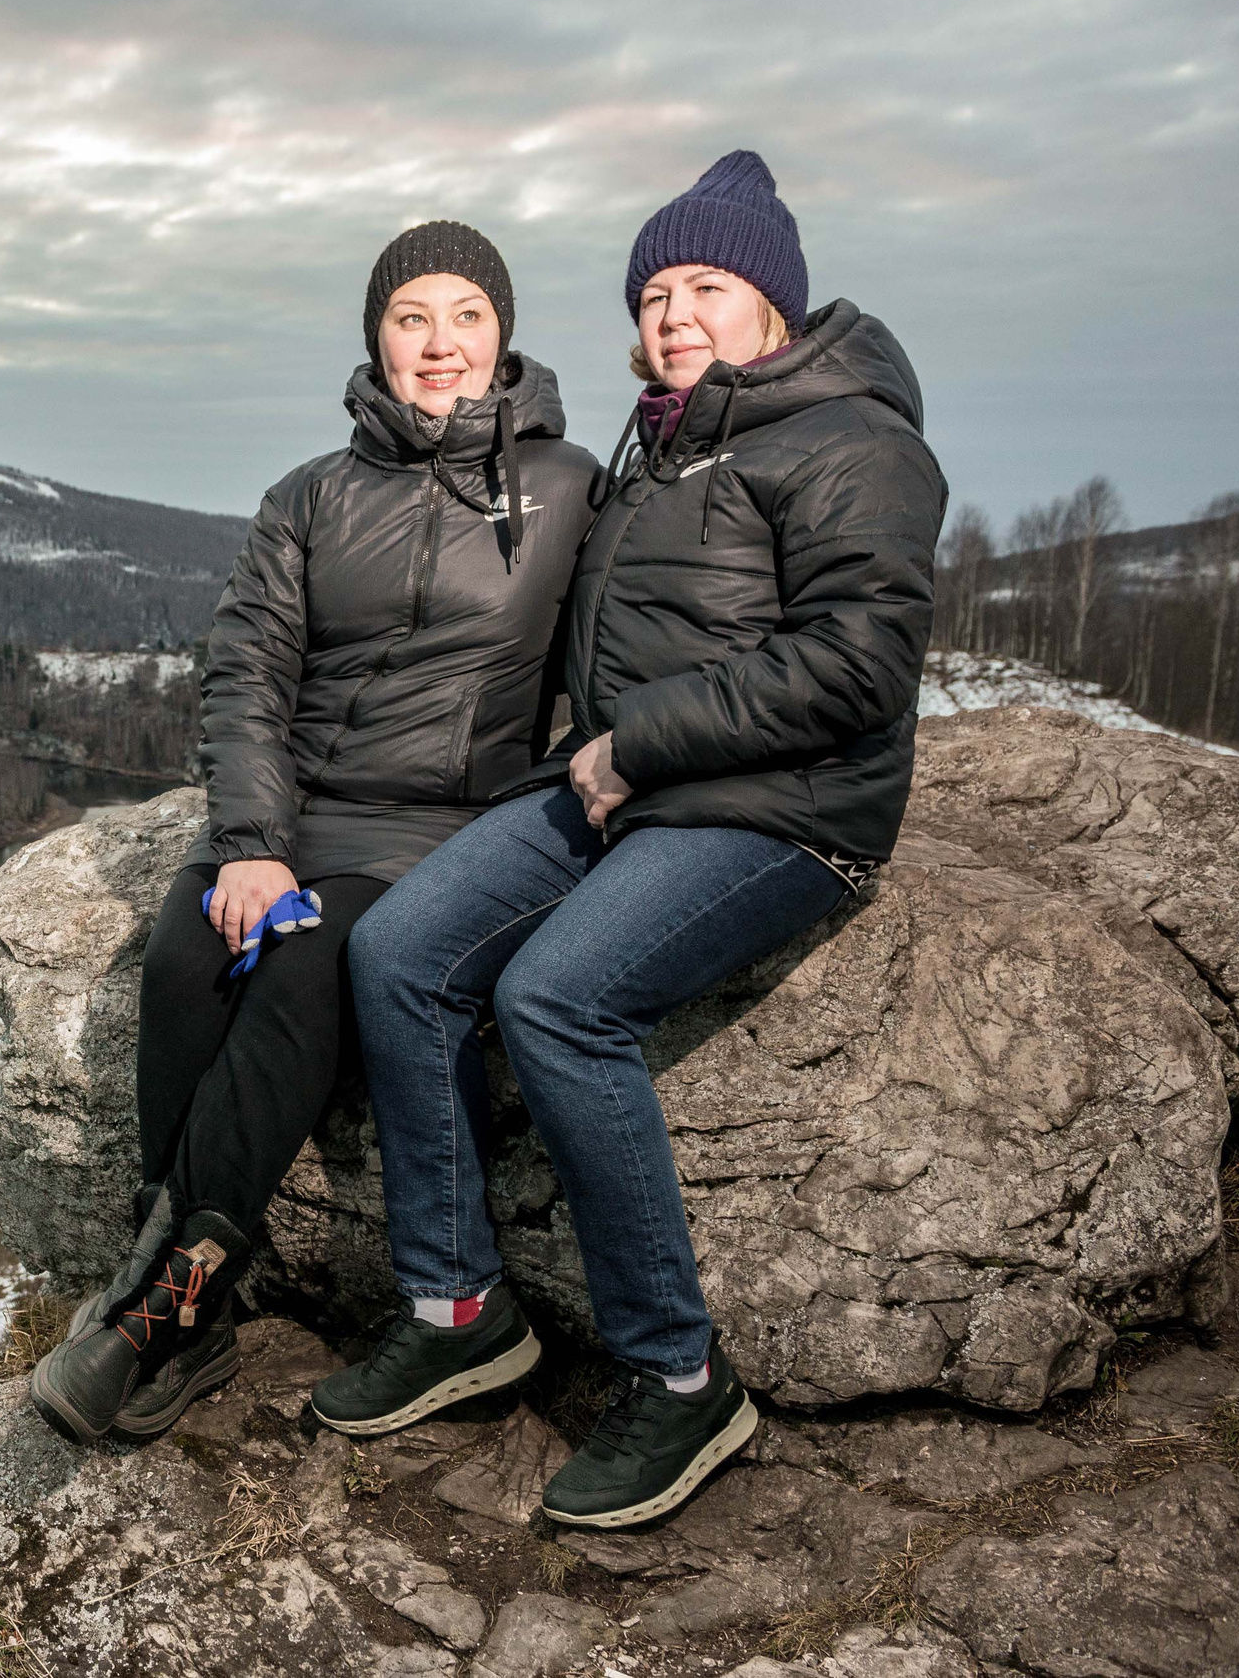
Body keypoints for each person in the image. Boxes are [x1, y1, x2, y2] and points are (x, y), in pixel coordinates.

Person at [312, 151, 947, 1528]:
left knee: (557, 998)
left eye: (705, 286)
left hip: (783, 807)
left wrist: (632, 748)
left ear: (771, 300)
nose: (672, 314)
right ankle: (460, 1304)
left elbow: (855, 668)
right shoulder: (663, 443)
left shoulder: (855, 440)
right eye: (652, 292)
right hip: (625, 784)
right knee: (404, 947)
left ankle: (679, 1378)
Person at [30, 222, 599, 1444]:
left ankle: (161, 1314)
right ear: (374, 339)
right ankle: (181, 1281)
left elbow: (613, 652)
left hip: (435, 826)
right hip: (291, 813)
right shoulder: (309, 495)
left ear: (502, 334)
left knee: (298, 963)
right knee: (189, 960)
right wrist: (247, 838)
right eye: (410, 318)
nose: (437, 344)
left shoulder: (563, 488)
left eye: (464, 315)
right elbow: (245, 676)